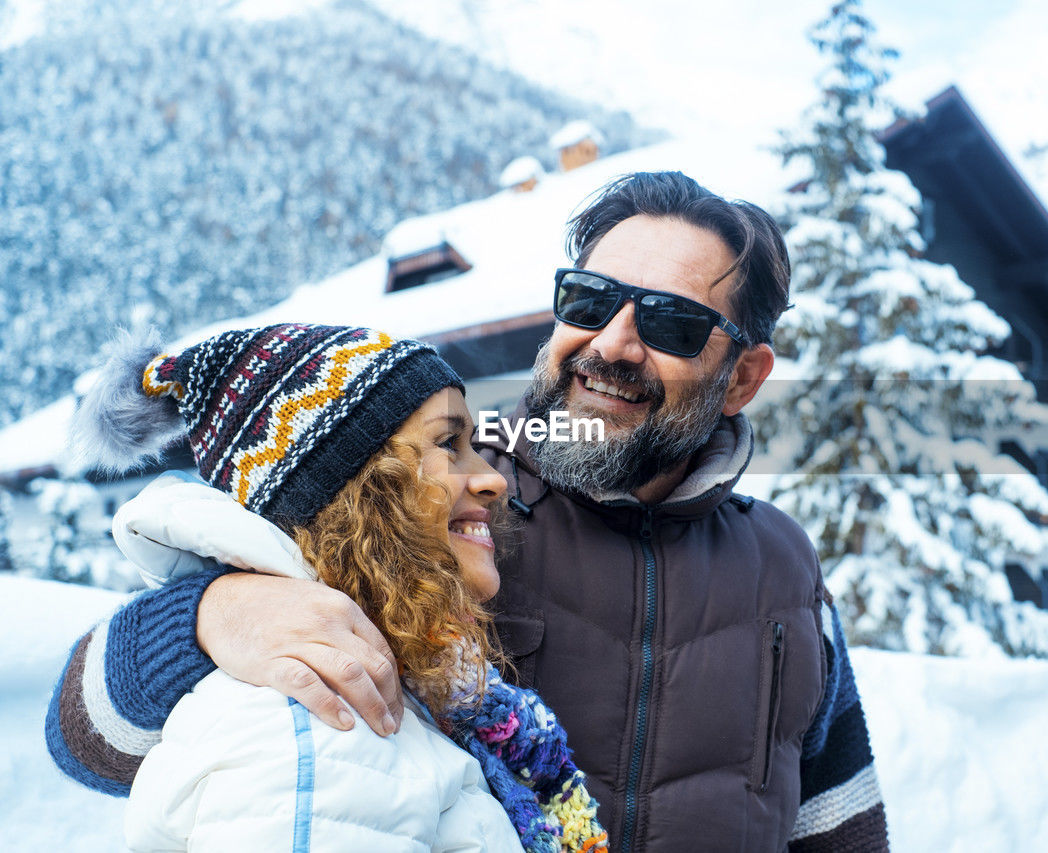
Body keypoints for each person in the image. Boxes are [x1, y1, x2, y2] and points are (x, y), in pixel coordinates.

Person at [47, 172, 890, 851]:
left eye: (669, 322)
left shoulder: (782, 569)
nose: (611, 343)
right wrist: (209, 614)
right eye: (589, 301)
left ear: (743, 376)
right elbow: (87, 738)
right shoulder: (441, 494)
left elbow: (840, 823)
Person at [50, 323, 607, 852]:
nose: (492, 478)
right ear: (353, 495)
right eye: (448, 444)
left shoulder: (416, 679)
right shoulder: (324, 716)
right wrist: (203, 614)